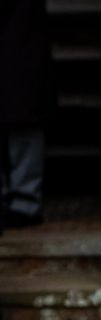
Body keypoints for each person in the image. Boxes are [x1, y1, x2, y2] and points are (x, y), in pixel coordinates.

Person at [0, 0, 49, 230]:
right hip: (21, 53)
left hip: (22, 53)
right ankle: (22, 200)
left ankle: (25, 202)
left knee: (24, 130)